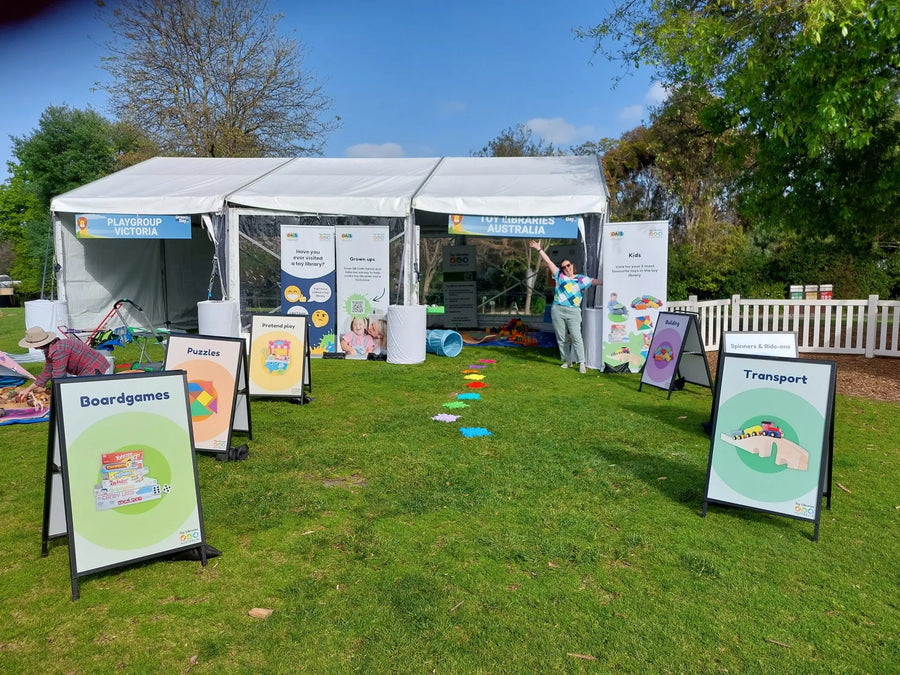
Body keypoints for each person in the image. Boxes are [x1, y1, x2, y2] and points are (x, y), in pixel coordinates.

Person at [529, 240, 601, 373]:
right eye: (563, 267)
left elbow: (598, 282)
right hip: (557, 310)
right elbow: (549, 261)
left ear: (572, 265)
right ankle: (567, 360)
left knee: (576, 336)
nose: (566, 268)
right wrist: (539, 249)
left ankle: (581, 363)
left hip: (574, 312)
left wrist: (615, 279)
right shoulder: (559, 276)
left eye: (568, 265)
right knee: (561, 337)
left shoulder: (581, 279)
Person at [15, 327, 110, 401]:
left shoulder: (58, 350)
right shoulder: (50, 349)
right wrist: (28, 389)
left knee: (84, 395)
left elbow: (59, 376)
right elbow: (47, 373)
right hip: (87, 367)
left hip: (93, 366)